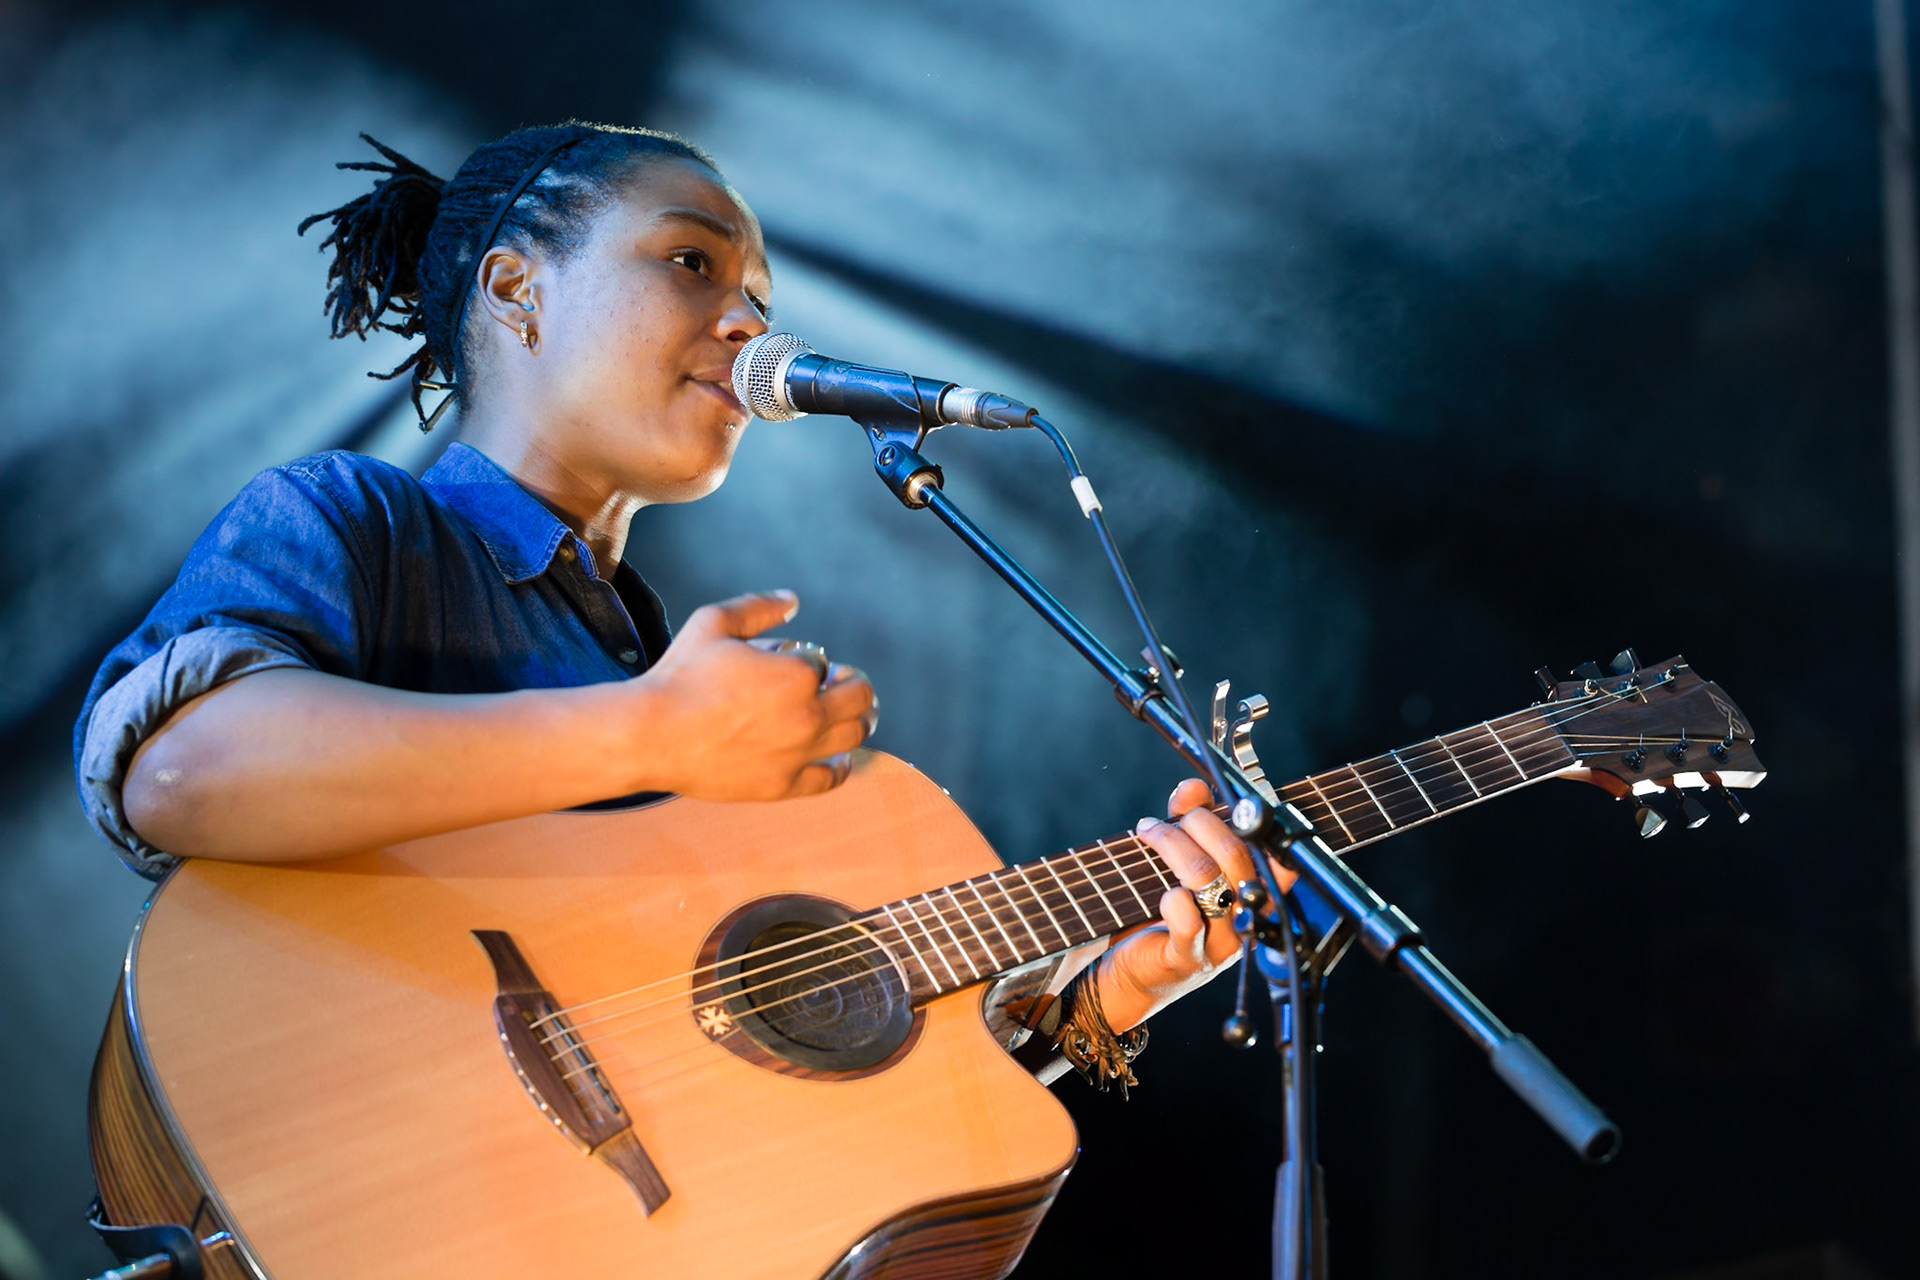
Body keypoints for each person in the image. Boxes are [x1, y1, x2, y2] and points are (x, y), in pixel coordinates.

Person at [74, 121, 1286, 1096]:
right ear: (515, 287)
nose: (751, 320)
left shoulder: (676, 674)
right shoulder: (358, 521)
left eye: (758, 292)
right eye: (693, 262)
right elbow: (177, 773)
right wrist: (650, 734)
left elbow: (757, 1078)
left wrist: (1108, 991)